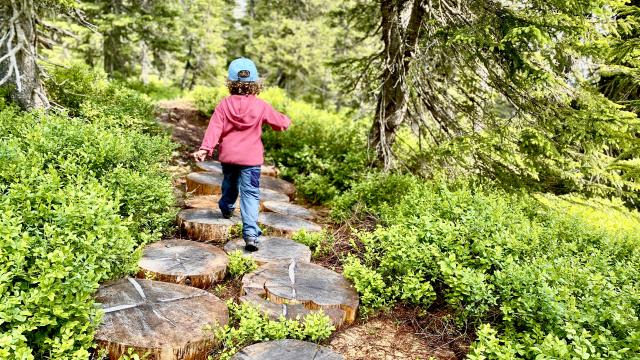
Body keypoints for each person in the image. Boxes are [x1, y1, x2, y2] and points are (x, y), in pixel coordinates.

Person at [192, 58, 290, 251]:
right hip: (251, 160)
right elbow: (280, 123)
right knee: (251, 193)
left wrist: (206, 148)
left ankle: (226, 207)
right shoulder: (260, 106)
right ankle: (251, 234)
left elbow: (214, 128)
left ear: (231, 83)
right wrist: (286, 120)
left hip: (229, 156)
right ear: (255, 83)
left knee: (229, 183)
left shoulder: (224, 105)